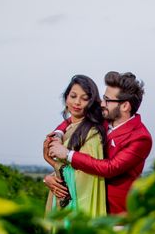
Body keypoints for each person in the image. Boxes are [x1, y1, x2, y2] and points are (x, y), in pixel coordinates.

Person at [46, 71, 152, 215]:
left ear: (125, 106)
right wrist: (58, 135)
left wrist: (68, 154)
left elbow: (110, 168)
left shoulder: (140, 138)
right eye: (103, 98)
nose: (101, 104)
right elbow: (72, 119)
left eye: (107, 100)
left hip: (115, 214)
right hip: (86, 203)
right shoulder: (104, 116)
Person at [43, 74, 107, 217]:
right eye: (73, 96)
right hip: (59, 196)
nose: (77, 102)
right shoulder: (68, 128)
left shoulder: (92, 132)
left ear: (91, 103)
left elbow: (85, 175)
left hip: (75, 205)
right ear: (66, 98)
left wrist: (51, 162)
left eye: (84, 99)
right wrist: (49, 178)